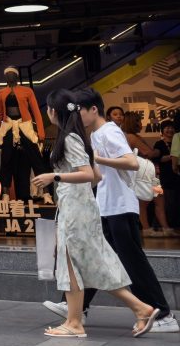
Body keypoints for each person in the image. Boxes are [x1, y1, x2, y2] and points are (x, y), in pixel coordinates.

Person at [39, 89, 177, 332]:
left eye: (80, 109)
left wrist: (94, 160)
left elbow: (131, 162)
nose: (77, 114)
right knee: (93, 259)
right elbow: (95, 177)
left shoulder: (108, 130)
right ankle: (75, 309)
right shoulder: (90, 134)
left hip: (119, 206)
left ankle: (161, 313)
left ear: (94, 109)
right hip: (104, 207)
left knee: (127, 261)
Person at [156, 122, 180, 235]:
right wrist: (174, 155)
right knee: (170, 203)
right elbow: (159, 159)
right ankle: (172, 226)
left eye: (172, 127)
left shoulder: (177, 141)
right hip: (168, 178)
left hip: (178, 176)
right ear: (162, 130)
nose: (170, 130)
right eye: (167, 128)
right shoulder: (159, 144)